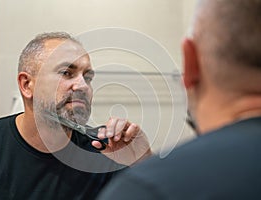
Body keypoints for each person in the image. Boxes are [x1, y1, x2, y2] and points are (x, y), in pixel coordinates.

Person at [97, 0, 261, 199]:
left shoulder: (146, 189)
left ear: (190, 62)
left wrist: (152, 173)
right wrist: (145, 162)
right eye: (67, 72)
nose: (79, 85)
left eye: (87, 76)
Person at [0, 32, 152, 199]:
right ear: (27, 85)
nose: (83, 86)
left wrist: (142, 164)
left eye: (87, 77)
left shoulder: (106, 154)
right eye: (67, 73)